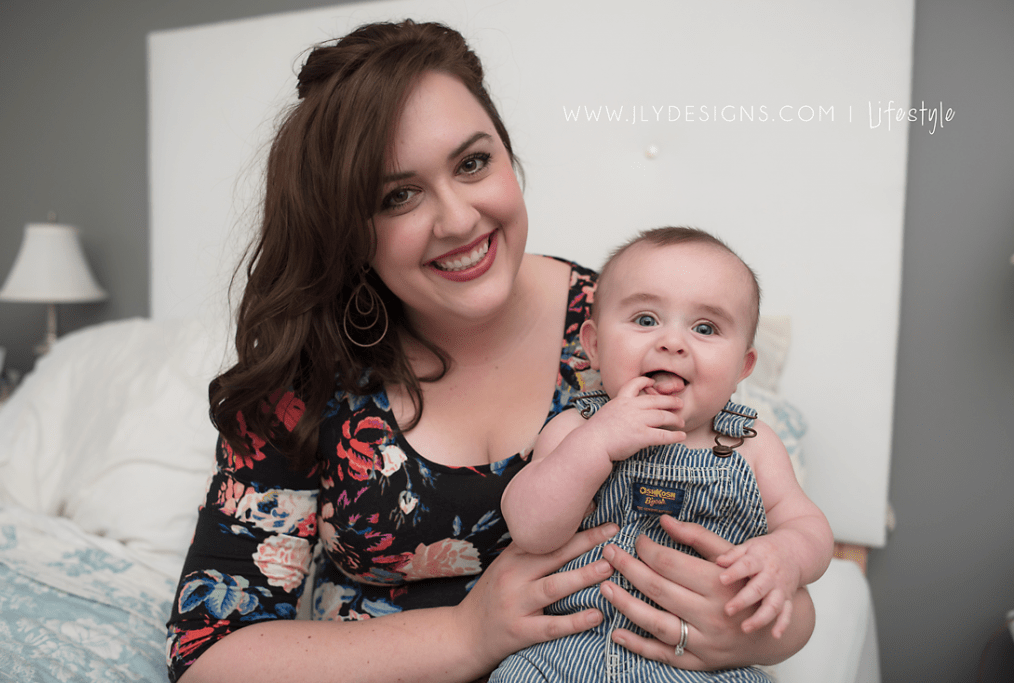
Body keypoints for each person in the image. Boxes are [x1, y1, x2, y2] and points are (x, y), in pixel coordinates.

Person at [165, 20, 817, 683]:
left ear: (509, 157)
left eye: (472, 162)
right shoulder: (308, 373)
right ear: (349, 229)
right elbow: (206, 656)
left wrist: (756, 636)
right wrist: (463, 632)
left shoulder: (632, 327)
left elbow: (780, 568)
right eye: (398, 196)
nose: (457, 220)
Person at [492, 227, 834, 682]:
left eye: (705, 328)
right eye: (646, 320)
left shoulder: (751, 445)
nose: (673, 343)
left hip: (703, 664)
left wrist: (786, 555)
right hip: (567, 655)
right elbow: (530, 528)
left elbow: (808, 526)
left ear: (742, 368)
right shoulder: (575, 428)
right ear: (593, 345)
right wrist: (598, 444)